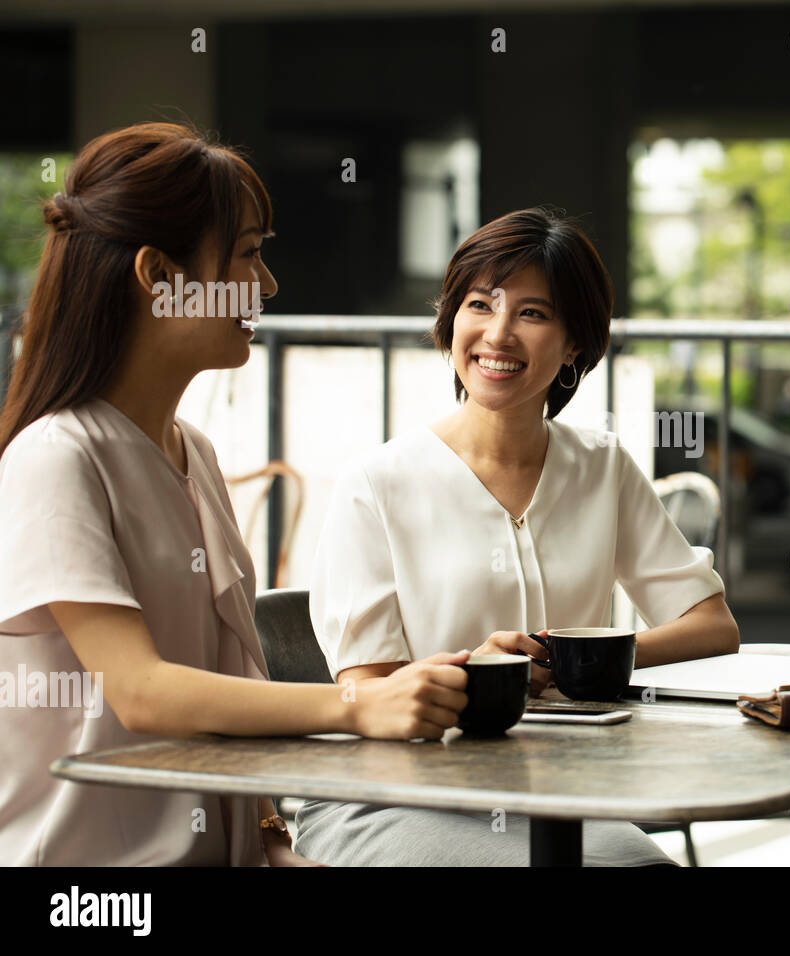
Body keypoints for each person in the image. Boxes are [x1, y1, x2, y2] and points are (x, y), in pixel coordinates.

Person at [0, 122, 471, 866]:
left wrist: (271, 842)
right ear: (161, 276)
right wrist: (359, 705)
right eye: (250, 254)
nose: (270, 284)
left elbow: (226, 682)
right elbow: (143, 692)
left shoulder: (197, 454)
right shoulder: (56, 458)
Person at [294, 207, 741, 866]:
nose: (498, 334)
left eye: (533, 314)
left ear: (575, 346)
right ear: (451, 326)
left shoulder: (603, 467)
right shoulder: (377, 483)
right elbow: (368, 687)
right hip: (388, 795)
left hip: (550, 792)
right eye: (480, 305)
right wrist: (475, 673)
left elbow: (711, 625)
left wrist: (574, 660)